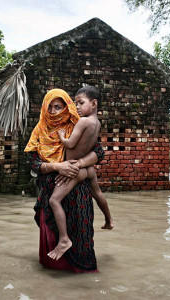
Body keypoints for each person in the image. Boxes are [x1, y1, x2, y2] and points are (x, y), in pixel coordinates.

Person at [25, 88, 104, 273]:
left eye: (58, 107)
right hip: (50, 192)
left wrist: (76, 164)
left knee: (81, 239)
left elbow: (99, 152)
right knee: (52, 259)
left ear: (66, 107)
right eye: (50, 107)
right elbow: (34, 163)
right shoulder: (39, 130)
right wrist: (57, 166)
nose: (53, 112)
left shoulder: (76, 124)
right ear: (44, 108)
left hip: (78, 195)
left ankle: (83, 279)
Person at [47, 86, 114, 261]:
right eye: (75, 103)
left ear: (94, 104)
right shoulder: (97, 123)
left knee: (54, 200)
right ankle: (109, 220)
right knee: (97, 192)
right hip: (87, 169)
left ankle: (63, 240)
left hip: (75, 170)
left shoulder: (83, 122)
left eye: (80, 103)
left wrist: (62, 137)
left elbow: (70, 144)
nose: (76, 107)